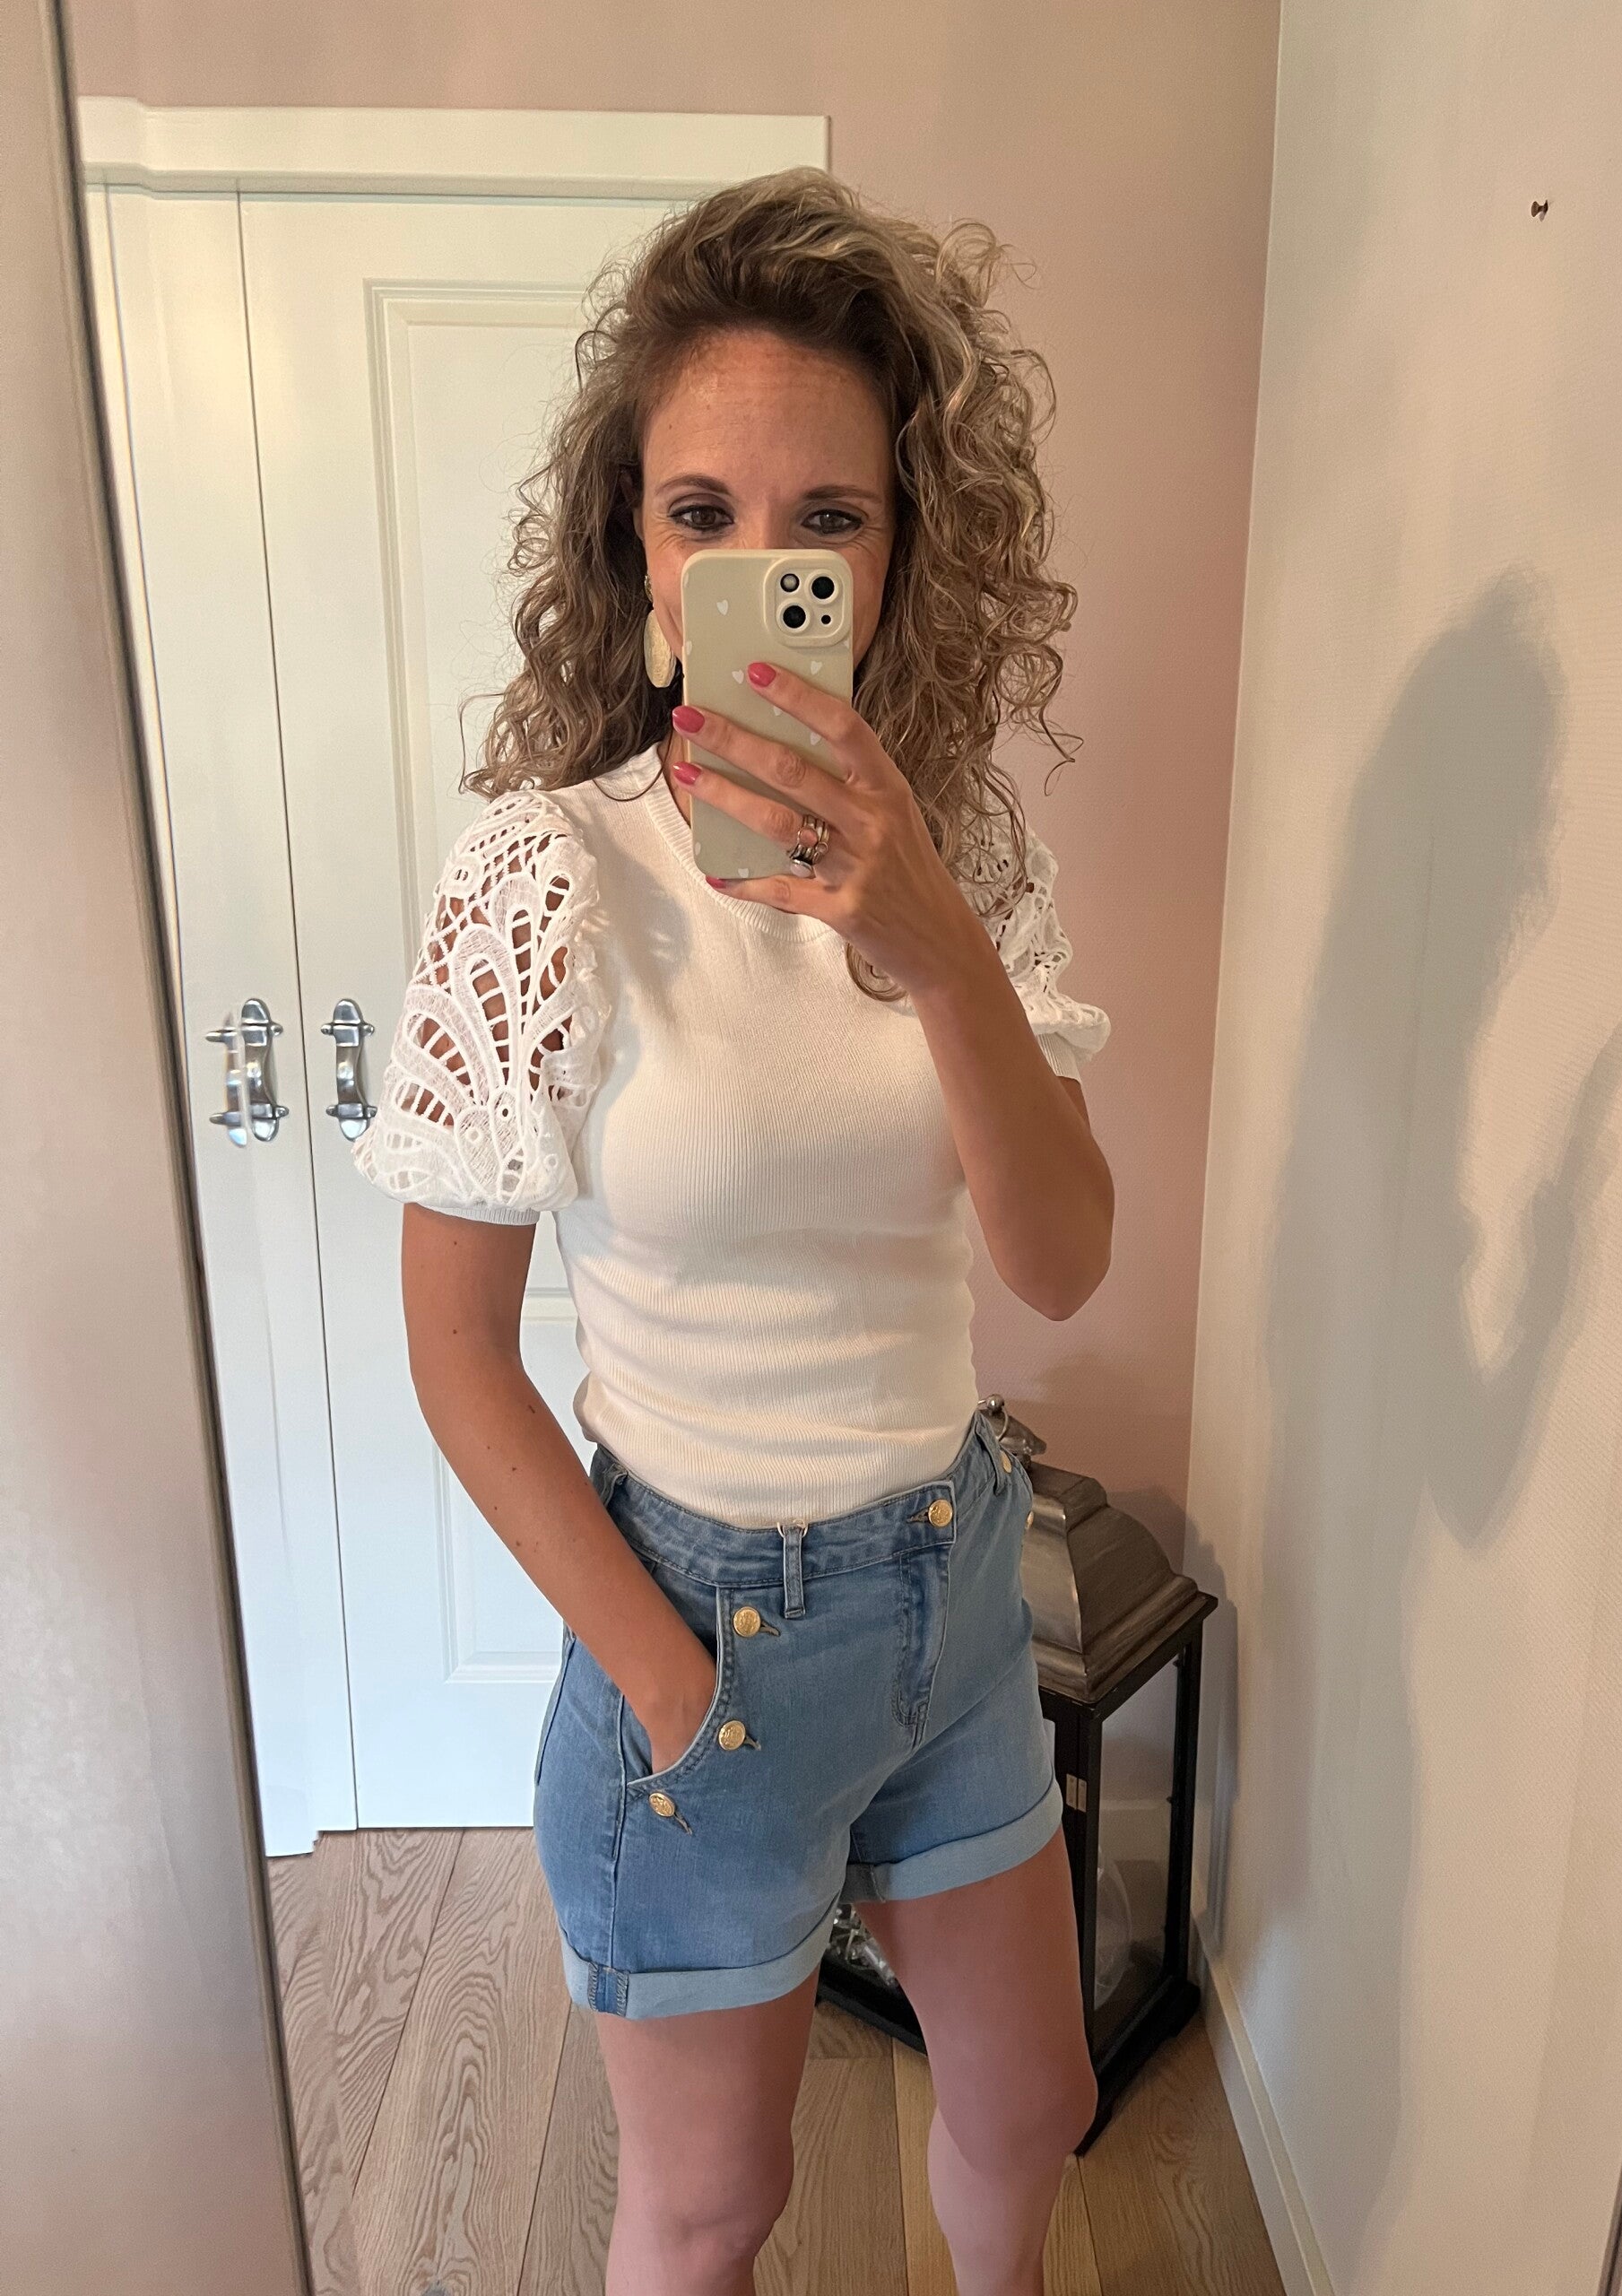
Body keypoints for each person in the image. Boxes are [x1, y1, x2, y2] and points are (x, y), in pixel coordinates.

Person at [354, 166, 1115, 2296]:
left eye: (827, 518)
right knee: (709, 2208)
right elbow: (454, 1348)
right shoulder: (546, 874)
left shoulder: (970, 864)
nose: (760, 563)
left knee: (1031, 2104)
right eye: (703, 512)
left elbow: (1061, 1260)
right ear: (636, 546)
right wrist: (672, 1683)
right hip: (700, 1622)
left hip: (957, 1586)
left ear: (897, 558)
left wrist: (936, 944)